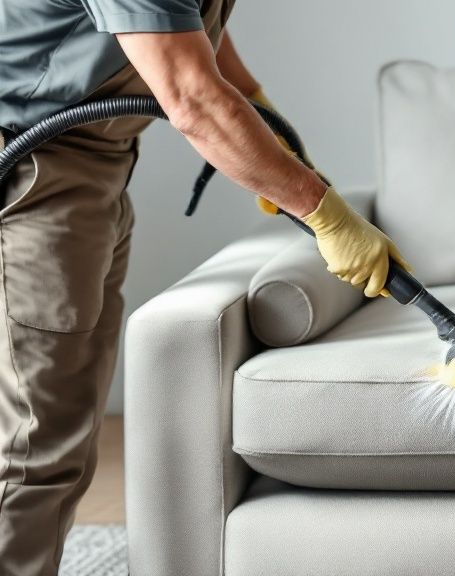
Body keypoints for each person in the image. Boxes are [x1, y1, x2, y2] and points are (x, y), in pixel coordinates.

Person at [0, 1, 407, 574]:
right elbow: (192, 98)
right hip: (36, 168)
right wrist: (324, 213)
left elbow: (193, 27)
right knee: (35, 443)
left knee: (62, 428)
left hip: (95, 163)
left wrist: (257, 116)